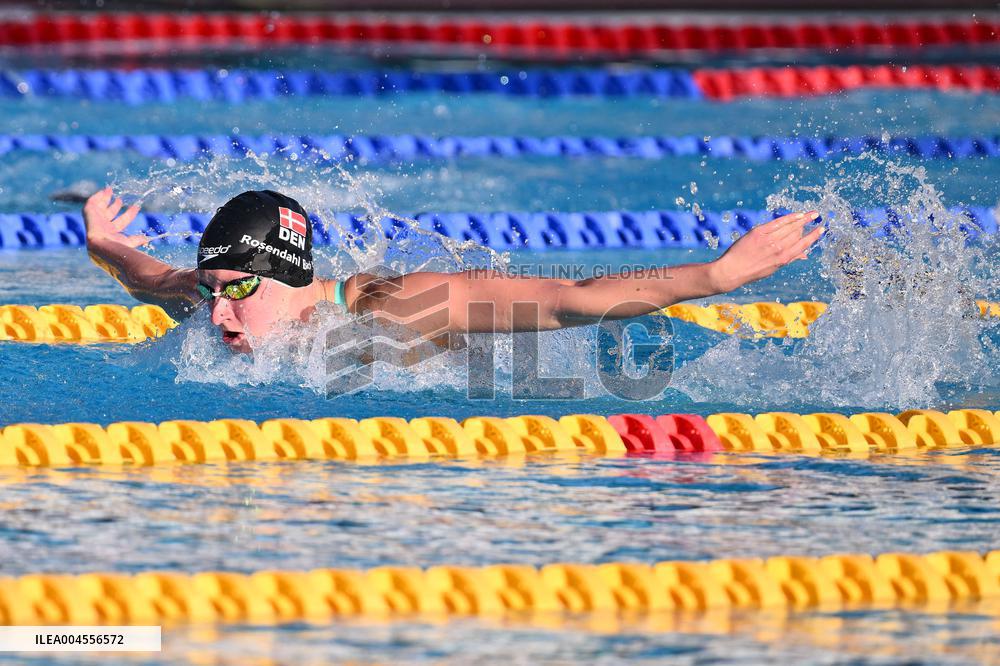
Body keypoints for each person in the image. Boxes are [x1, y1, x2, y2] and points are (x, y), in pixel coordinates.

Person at [84, 187, 824, 354]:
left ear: (285, 275)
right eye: (210, 292)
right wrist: (101, 241)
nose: (214, 315)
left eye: (236, 291)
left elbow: (570, 299)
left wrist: (715, 277)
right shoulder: (219, 299)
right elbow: (149, 276)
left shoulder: (393, 307)